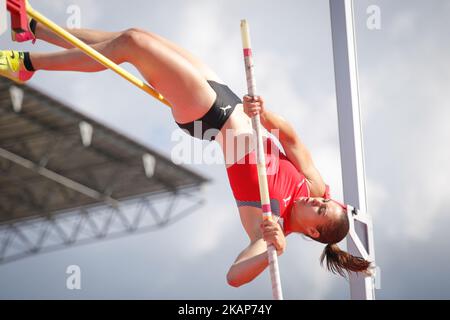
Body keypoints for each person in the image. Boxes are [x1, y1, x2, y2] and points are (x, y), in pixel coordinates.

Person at [0, 15, 371, 287]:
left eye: (320, 211)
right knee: (132, 37)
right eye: (326, 202)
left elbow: (234, 277)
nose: (320, 201)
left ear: (313, 231)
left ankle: (25, 65)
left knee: (132, 44)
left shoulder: (271, 224)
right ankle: (32, 30)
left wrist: (274, 249)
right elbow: (292, 139)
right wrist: (265, 114)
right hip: (232, 100)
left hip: (210, 117)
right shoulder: (316, 187)